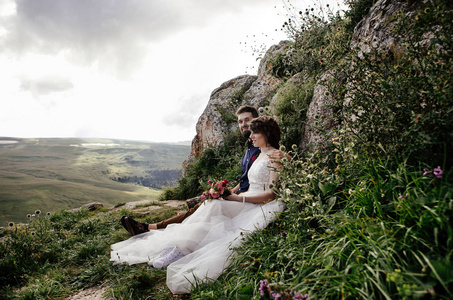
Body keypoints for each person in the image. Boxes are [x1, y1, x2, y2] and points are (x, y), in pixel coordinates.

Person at [111, 116, 286, 294]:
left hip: (258, 204)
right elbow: (248, 181)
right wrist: (228, 193)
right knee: (212, 205)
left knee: (215, 208)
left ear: (266, 134)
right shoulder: (260, 153)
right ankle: (178, 247)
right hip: (247, 197)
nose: (251, 136)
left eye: (255, 133)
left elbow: (271, 194)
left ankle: (182, 250)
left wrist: (237, 199)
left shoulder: (275, 156)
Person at [120, 105, 283, 235]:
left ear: (258, 121)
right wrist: (224, 191)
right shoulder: (250, 149)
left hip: (250, 199)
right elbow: (244, 180)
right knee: (204, 204)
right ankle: (157, 228)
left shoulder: (265, 151)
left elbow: (272, 170)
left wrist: (232, 196)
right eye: (240, 122)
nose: (243, 125)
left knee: (205, 207)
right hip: (242, 194)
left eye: (247, 120)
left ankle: (151, 228)